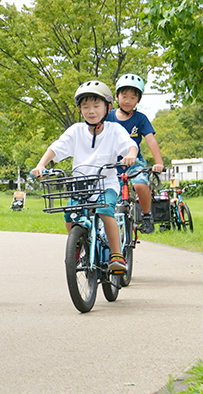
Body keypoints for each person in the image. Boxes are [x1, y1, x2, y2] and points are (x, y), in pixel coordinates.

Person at [32, 80, 138, 273]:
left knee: (106, 212)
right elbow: (55, 148)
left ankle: (116, 255)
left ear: (107, 108)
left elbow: (130, 145)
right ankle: (78, 242)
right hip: (80, 185)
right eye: (85, 106)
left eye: (96, 106)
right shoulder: (76, 131)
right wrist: (41, 165)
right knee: (69, 214)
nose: (91, 111)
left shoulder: (114, 130)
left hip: (107, 184)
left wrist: (130, 154)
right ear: (80, 109)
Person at [106, 73, 165, 233]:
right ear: (117, 97)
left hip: (134, 162)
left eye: (133, 97)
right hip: (111, 163)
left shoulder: (141, 119)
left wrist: (158, 162)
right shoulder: (108, 117)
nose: (127, 100)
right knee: (111, 200)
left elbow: (150, 140)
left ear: (138, 100)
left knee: (140, 184)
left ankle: (147, 216)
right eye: (124, 96)